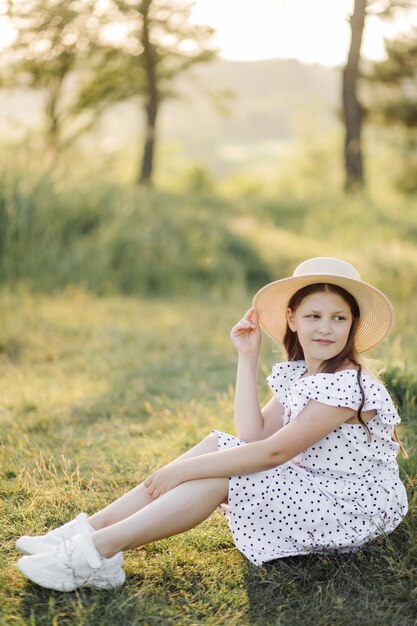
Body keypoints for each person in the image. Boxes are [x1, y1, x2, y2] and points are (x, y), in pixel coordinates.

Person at [16, 257, 408, 592]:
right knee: (217, 445)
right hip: (317, 487)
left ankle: (97, 553)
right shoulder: (303, 374)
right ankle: (90, 531)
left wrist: (180, 470)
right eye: (314, 316)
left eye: (338, 318)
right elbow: (251, 434)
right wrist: (247, 357)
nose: (325, 327)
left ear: (352, 323)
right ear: (291, 319)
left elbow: (274, 452)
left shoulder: (346, 384)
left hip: (351, 506)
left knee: (224, 474)